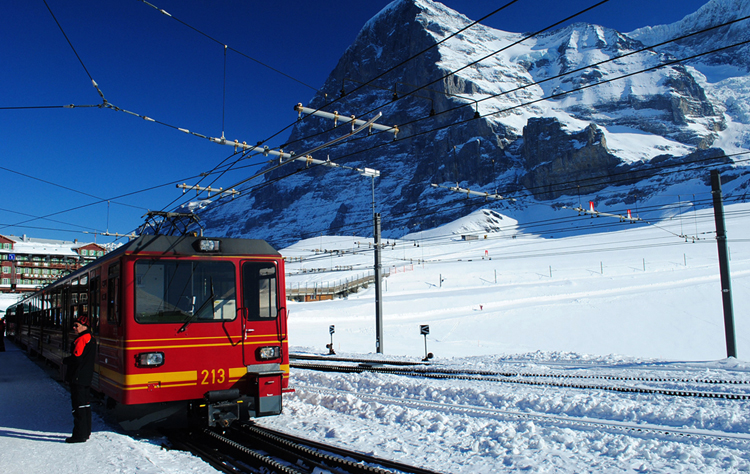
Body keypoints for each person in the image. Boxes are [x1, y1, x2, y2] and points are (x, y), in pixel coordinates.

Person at [62, 315, 95, 443]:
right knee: (86, 405)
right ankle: (86, 432)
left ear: (84, 326)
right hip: (86, 376)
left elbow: (77, 358)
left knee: (78, 406)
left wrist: (65, 360)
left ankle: (79, 435)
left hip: (78, 376)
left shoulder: (82, 339)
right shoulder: (91, 338)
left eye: (77, 325)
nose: (74, 328)